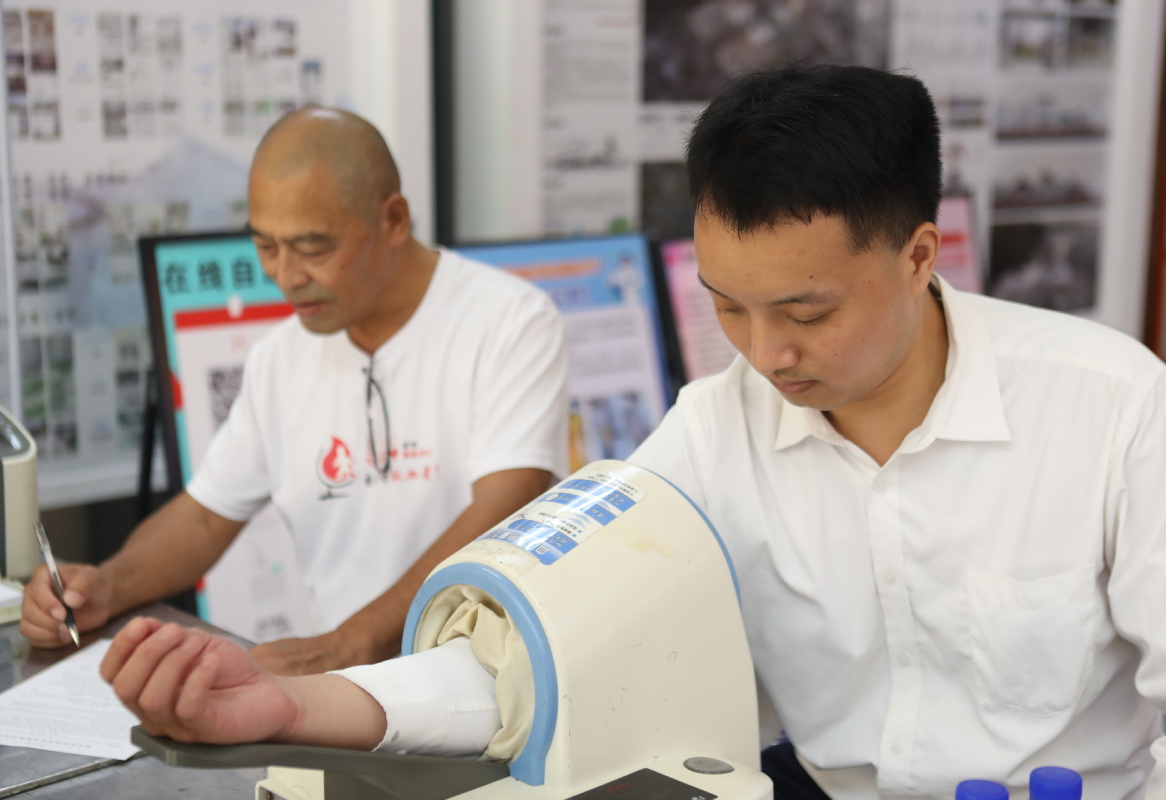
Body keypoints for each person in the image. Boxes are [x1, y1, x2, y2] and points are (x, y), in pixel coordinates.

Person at [99, 65, 1166, 798]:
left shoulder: (1111, 406)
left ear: (921, 254)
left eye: (805, 312)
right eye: (726, 306)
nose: (765, 353)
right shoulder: (710, 433)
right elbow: (529, 651)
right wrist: (290, 703)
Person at [22, 107, 569, 676]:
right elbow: (204, 518)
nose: (285, 276)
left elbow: (505, 509)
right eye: (266, 246)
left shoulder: (510, 321)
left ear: (394, 219)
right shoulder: (279, 358)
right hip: (345, 695)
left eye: (313, 249)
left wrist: (353, 641)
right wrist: (105, 586)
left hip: (484, 680)